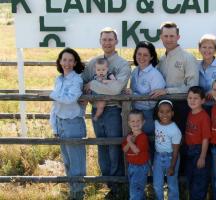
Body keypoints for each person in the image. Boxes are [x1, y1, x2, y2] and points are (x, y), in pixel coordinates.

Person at [81, 27, 131, 198]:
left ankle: (117, 185)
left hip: (113, 110)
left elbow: (116, 89)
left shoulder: (122, 64)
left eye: (110, 39)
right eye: (104, 39)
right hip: (96, 109)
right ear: (100, 41)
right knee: (102, 145)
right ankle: (107, 180)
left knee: (114, 146)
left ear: (116, 41)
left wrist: (94, 86)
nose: (107, 42)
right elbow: (83, 82)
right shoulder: (93, 63)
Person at [49, 48, 86, 200]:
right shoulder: (59, 79)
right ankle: (72, 191)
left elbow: (70, 98)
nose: (67, 63)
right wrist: (54, 125)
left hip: (72, 122)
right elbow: (56, 106)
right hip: (60, 121)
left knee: (76, 160)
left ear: (75, 62)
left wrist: (50, 95)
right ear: (59, 61)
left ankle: (78, 193)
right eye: (64, 60)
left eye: (71, 60)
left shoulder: (77, 79)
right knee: (67, 160)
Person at [150, 21, 199, 133]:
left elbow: (193, 87)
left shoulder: (188, 58)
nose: (169, 39)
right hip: (162, 109)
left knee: (181, 142)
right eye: (166, 36)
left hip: (182, 106)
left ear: (178, 37)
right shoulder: (161, 60)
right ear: (161, 37)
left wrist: (167, 91)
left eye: (172, 36)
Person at [126, 41, 166, 155]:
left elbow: (153, 101)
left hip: (148, 115)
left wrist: (133, 95)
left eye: (145, 55)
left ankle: (153, 171)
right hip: (134, 113)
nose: (141, 57)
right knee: (137, 146)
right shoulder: (135, 72)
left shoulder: (155, 75)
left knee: (149, 146)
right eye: (139, 54)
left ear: (151, 57)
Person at [185, 86, 211, 200]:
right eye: (190, 98)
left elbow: (206, 138)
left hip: (199, 152)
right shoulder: (191, 113)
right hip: (189, 151)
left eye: (196, 98)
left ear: (203, 100)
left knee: (199, 184)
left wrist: (202, 157)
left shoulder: (204, 117)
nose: (192, 101)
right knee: (191, 181)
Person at [153, 100, 182, 200]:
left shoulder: (175, 130)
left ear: (172, 113)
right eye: (161, 111)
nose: (164, 114)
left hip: (171, 158)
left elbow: (176, 151)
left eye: (168, 111)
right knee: (157, 184)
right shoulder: (156, 123)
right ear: (158, 113)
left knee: (172, 185)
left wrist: (172, 166)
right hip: (158, 157)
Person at [122, 110, 149, 200]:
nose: (135, 123)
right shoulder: (129, 135)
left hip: (140, 167)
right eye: (133, 121)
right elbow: (125, 150)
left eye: (138, 121)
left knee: (135, 191)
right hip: (131, 166)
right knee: (137, 189)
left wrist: (130, 142)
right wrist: (129, 141)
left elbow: (137, 151)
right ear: (129, 123)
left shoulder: (143, 137)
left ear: (143, 122)